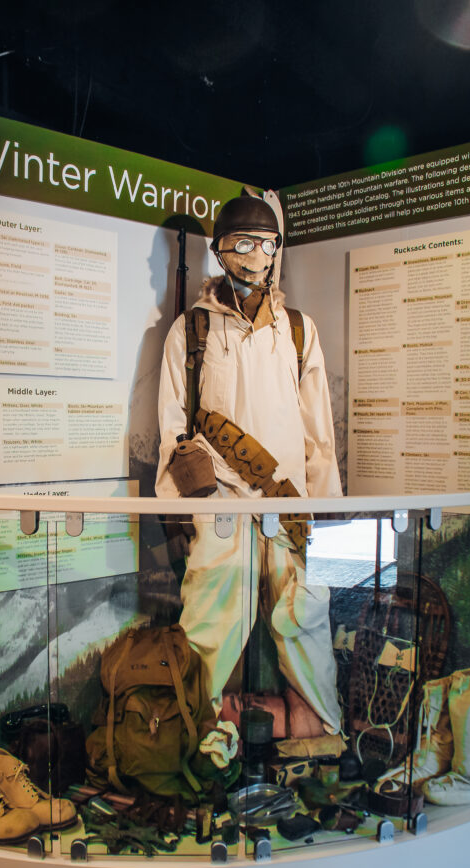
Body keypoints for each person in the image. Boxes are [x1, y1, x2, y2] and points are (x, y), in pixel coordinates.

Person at [156, 196, 342, 736]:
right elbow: (173, 426)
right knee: (209, 626)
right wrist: (185, 512)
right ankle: (202, 742)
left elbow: (318, 434)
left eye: (264, 243)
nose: (254, 254)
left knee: (302, 618)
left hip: (287, 509)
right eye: (241, 242)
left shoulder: (298, 331)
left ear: (276, 251)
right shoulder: (191, 332)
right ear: (220, 251)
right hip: (222, 510)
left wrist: (327, 513)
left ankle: (321, 731)